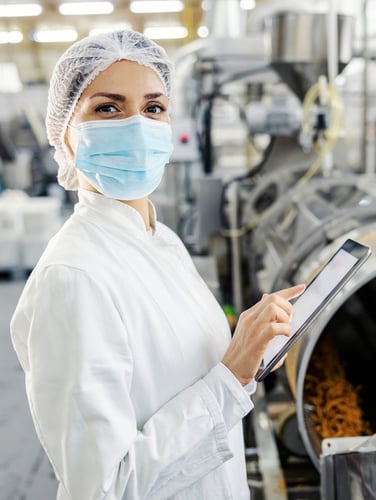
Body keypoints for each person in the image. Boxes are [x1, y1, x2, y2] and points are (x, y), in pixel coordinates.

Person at [10, 30, 304, 500]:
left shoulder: (160, 240)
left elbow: (188, 379)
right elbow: (106, 487)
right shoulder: (72, 278)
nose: (138, 126)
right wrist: (229, 379)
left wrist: (252, 357)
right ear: (65, 131)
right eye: (108, 108)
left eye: (153, 108)